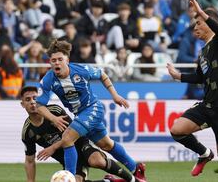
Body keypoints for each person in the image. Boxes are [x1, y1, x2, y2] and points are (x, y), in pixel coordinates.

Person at [33, 40, 146, 182]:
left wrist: (115, 95)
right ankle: (137, 170)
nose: (56, 63)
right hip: (80, 115)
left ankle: (70, 177)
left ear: (67, 60)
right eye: (53, 60)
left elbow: (102, 75)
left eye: (60, 59)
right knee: (106, 144)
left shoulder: (80, 70)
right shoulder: (48, 79)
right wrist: (53, 118)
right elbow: (39, 105)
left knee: (67, 138)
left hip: (93, 108)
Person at [167, 0, 218, 182]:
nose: (195, 28)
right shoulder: (202, 52)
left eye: (199, 23)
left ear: (209, 24)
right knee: (177, 129)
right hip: (208, 105)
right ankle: (204, 153)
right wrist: (178, 76)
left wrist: (201, 12)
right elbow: (200, 77)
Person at [20, 86, 140, 182]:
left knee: (96, 161)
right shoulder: (27, 132)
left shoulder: (55, 111)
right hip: (69, 160)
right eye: (28, 100)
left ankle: (133, 180)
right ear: (22, 104)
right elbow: (30, 160)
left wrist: (52, 147)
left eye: (35, 98)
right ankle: (108, 181)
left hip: (81, 145)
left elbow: (73, 134)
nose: (32, 102)